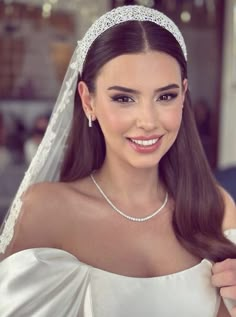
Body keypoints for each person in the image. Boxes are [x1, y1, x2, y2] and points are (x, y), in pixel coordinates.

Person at [0, 5, 236, 317]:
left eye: (165, 96)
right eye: (124, 98)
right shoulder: (47, 209)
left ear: (183, 95)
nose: (148, 121)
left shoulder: (215, 208)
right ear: (88, 100)